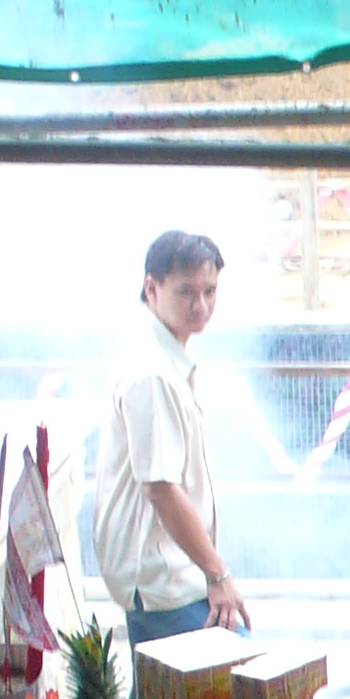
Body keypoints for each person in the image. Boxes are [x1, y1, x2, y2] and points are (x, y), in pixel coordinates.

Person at [93, 230, 249, 646]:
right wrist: (219, 575)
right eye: (186, 293)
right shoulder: (152, 372)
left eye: (210, 291)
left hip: (169, 575)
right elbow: (162, 489)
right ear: (151, 287)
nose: (201, 306)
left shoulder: (159, 351)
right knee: (238, 677)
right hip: (162, 581)